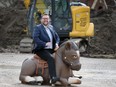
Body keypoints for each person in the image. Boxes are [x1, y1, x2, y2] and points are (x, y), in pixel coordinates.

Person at [32, 14, 60, 84]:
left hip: (51, 49)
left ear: (49, 20)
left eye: (47, 18)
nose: (45, 20)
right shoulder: (38, 28)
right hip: (41, 49)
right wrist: (44, 44)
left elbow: (57, 37)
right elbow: (35, 38)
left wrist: (56, 44)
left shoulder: (51, 27)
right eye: (44, 18)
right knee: (50, 58)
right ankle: (53, 77)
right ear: (41, 20)